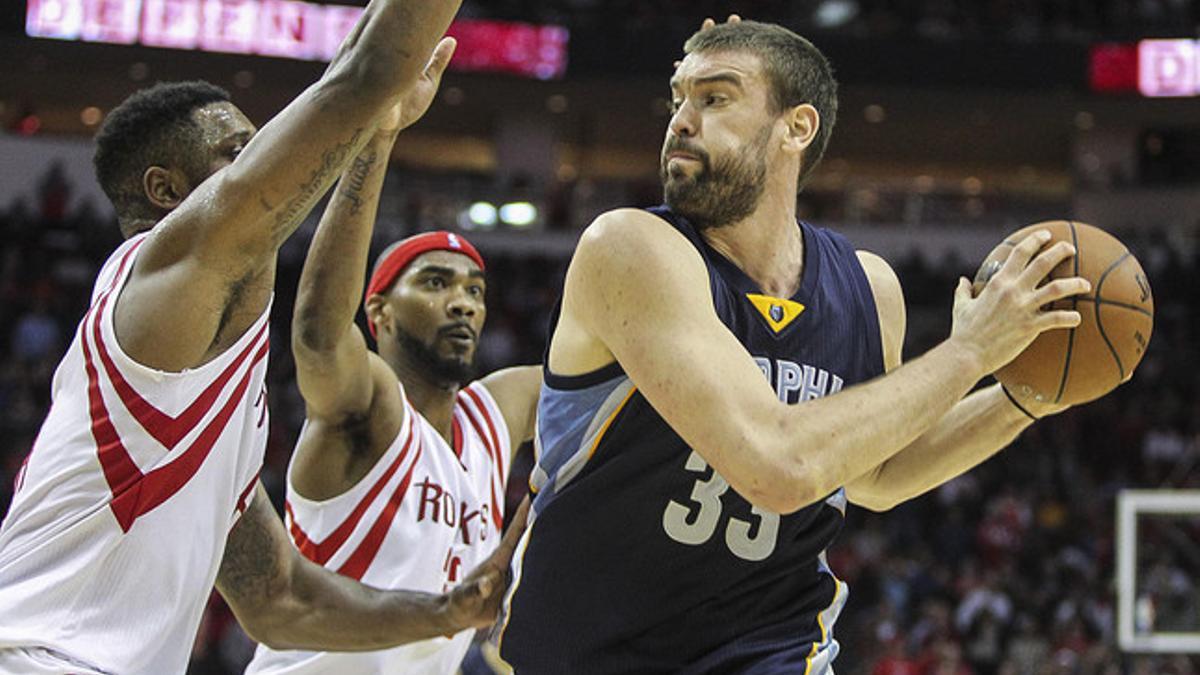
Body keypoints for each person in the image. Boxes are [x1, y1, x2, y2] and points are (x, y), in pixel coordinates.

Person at [497, 18, 1092, 674]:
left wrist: (1026, 398)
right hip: (590, 654)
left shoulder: (869, 287)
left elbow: (876, 474)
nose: (681, 121)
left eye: (715, 98)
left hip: (772, 649)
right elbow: (777, 465)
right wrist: (971, 351)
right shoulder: (630, 249)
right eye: (678, 98)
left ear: (796, 127)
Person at [0, 2, 522, 672]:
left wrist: (450, 610)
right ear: (169, 192)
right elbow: (357, 81)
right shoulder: (158, 288)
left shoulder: (197, 373)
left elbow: (280, 598)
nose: (271, 161)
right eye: (238, 154)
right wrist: (375, 98)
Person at [245, 99, 539, 674]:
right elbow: (318, 333)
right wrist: (375, 142)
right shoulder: (372, 407)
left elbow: (618, 363)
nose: (462, 302)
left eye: (476, 291)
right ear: (377, 311)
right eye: (435, 282)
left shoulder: (496, 410)